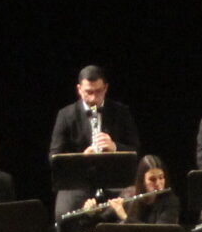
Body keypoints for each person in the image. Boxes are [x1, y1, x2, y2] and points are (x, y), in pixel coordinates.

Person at [47, 65, 143, 217]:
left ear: (106, 88)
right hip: (78, 183)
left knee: (134, 201)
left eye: (98, 92)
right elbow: (54, 157)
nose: (93, 98)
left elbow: (136, 150)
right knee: (63, 213)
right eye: (88, 92)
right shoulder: (65, 115)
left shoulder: (121, 112)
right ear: (79, 89)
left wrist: (115, 147)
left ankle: (109, 231)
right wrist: (81, 158)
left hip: (114, 180)